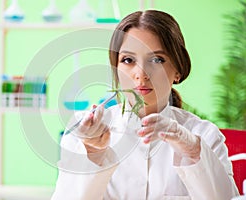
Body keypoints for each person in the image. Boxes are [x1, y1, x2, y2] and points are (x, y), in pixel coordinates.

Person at [51, 10, 239, 199]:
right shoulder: (83, 135)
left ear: (177, 70)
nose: (141, 74)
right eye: (128, 60)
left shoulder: (205, 135)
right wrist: (93, 154)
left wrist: (192, 152)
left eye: (156, 60)